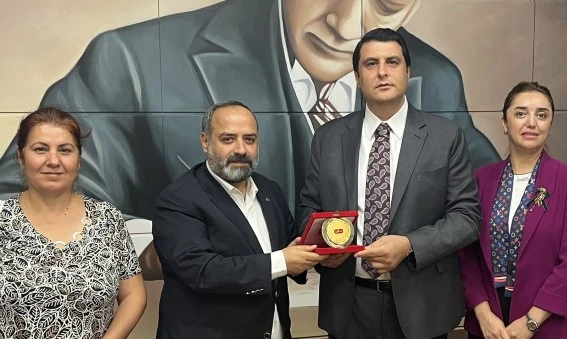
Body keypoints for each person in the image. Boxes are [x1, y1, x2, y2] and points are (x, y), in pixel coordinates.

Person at [0, 0, 499, 221]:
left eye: (387, 2)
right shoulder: (130, 63)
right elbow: (14, 200)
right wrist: (158, 246)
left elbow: (488, 206)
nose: (348, 26)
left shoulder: (436, 79)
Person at [298, 28, 481, 339]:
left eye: (392, 62)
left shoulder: (445, 136)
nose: (382, 72)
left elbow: (467, 216)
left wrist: (410, 245)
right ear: (357, 76)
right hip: (349, 303)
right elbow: (307, 209)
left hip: (421, 303)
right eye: (371, 64)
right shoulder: (328, 139)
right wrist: (323, 248)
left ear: (407, 71)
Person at [151, 101, 325, 339]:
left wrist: (317, 254)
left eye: (250, 139)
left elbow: (288, 250)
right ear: (205, 141)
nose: (241, 149)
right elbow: (202, 271)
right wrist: (284, 260)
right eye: (228, 138)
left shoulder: (270, 191)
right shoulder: (178, 200)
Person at [457, 81, 567, 339]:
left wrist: (531, 321)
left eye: (541, 115)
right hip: (491, 328)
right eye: (521, 113)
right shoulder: (480, 180)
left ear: (550, 124)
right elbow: (466, 255)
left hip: (551, 330)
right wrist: (482, 313)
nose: (531, 122)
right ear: (504, 122)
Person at [0, 107, 147, 339]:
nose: (53, 160)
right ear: (21, 156)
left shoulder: (107, 219)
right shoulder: (2, 221)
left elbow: (134, 296)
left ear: (78, 159)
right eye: (40, 149)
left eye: (65, 150)